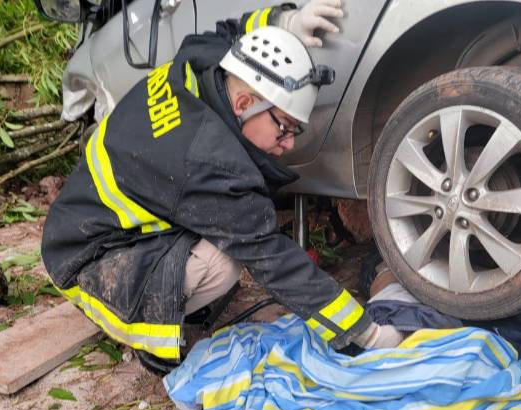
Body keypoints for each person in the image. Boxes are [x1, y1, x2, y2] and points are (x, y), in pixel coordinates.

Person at [41, 1, 403, 374]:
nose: (290, 143)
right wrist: (366, 334)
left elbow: (229, 32)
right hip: (87, 259)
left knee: (218, 247)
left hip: (79, 220)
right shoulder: (207, 164)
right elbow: (276, 262)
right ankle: (151, 337)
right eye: (285, 127)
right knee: (223, 264)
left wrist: (284, 21)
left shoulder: (203, 61)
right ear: (244, 102)